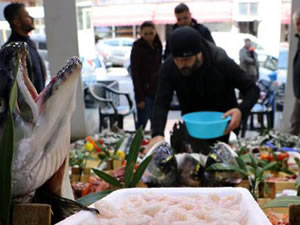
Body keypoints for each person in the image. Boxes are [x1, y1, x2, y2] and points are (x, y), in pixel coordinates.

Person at [147, 27, 260, 153]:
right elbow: (161, 102)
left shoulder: (219, 60)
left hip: (222, 126)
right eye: (177, 60)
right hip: (193, 127)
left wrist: (240, 110)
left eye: (186, 60)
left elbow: (252, 90)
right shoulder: (169, 66)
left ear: (199, 53)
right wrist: (157, 133)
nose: (181, 65)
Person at [4, 3, 46, 94]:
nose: (31, 18)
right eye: (27, 16)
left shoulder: (29, 43)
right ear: (16, 22)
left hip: (38, 103)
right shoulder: (10, 50)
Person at [130, 21, 162, 130]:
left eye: (151, 33)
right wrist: (139, 98)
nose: (149, 36)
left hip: (156, 91)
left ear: (155, 32)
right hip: (144, 92)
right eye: (145, 34)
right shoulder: (138, 47)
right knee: (142, 125)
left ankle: (155, 145)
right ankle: (137, 146)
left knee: (157, 123)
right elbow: (135, 73)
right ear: (141, 34)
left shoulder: (158, 45)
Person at [289, 8, 300, 136]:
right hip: (298, 95)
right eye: (297, 23)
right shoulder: (298, 39)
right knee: (294, 124)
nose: (299, 27)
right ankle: (290, 153)